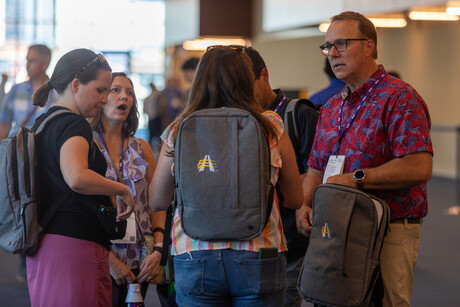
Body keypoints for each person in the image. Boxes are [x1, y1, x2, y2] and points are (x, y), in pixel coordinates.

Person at [149, 45, 304, 306]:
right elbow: (295, 199)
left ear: (199, 80)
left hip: (194, 253)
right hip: (259, 252)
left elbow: (156, 201)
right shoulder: (270, 124)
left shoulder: (179, 129)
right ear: (245, 80)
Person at [300, 11, 433, 307]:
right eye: (328, 47)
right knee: (335, 300)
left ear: (369, 46)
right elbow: (316, 167)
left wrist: (357, 178)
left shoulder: (399, 98)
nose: (333, 54)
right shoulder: (332, 107)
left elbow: (419, 165)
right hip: (337, 225)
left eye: (342, 44)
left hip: (390, 226)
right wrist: (305, 204)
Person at [27, 48, 135, 306]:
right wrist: (121, 189)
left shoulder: (43, 123)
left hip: (46, 245)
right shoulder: (73, 125)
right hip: (73, 248)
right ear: (75, 84)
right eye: (100, 90)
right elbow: (75, 176)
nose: (105, 98)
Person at [245, 46, 318, 307]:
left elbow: (319, 168)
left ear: (263, 76)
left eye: (247, 84)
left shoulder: (298, 114)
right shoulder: (240, 120)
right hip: (253, 243)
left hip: (293, 241)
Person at [91, 72, 166, 306]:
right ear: (101, 98)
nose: (124, 96)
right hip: (101, 256)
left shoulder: (141, 147)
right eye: (115, 90)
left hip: (140, 259)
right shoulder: (86, 145)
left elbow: (157, 203)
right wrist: (110, 261)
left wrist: (158, 249)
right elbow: (80, 209)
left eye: (129, 92)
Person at [0, 44, 56, 141]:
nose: (27, 65)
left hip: (44, 152)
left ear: (45, 64)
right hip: (18, 152)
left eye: (32, 61)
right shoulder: (15, 91)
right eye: (27, 60)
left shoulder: (57, 93)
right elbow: (4, 126)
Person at [143, 82, 163, 151]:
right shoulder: (149, 97)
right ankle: (151, 148)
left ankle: (157, 147)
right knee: (152, 133)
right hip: (152, 116)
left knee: (157, 133)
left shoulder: (157, 95)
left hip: (156, 116)